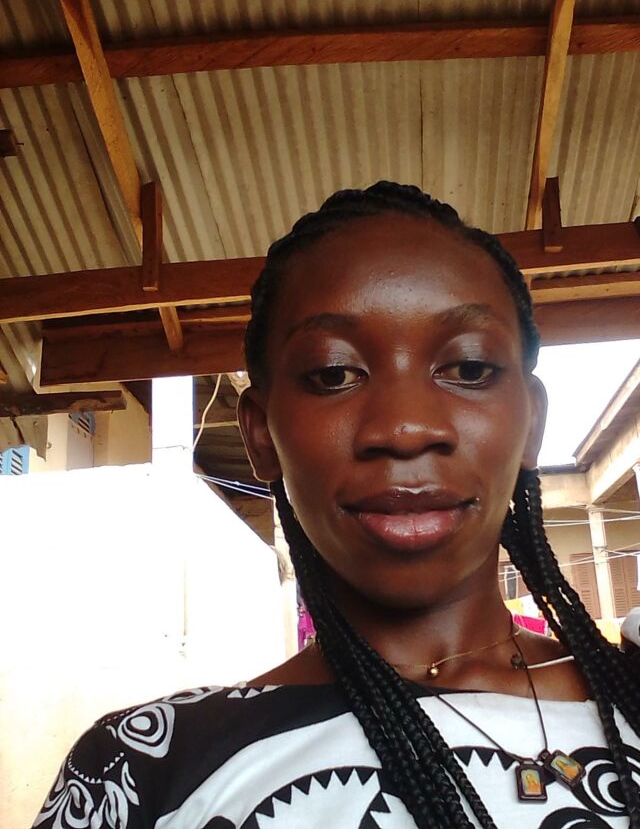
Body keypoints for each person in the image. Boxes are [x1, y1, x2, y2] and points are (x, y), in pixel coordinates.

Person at [33, 182, 640, 828]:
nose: (404, 428)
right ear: (261, 435)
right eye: (333, 373)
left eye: (468, 368)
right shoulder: (140, 773)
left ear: (532, 422)